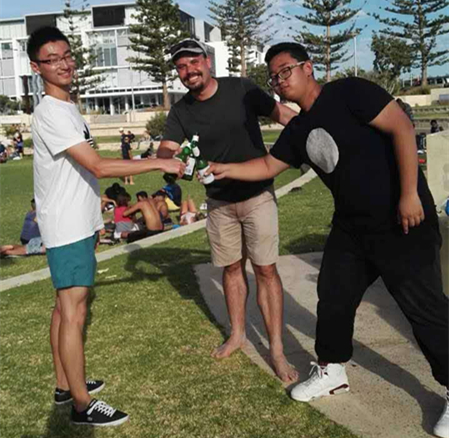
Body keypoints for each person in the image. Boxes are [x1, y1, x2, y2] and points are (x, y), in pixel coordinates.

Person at [207, 42, 448, 438]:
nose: (279, 81)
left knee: (423, 307)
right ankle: (332, 370)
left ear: (308, 68)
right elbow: (267, 165)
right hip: (352, 228)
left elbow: (402, 128)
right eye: (273, 78)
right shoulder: (298, 129)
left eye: (285, 71)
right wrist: (222, 169)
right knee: (333, 295)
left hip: (401, 219)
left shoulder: (350, 92)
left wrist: (409, 194)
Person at [28, 26, 184, 427]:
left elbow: (81, 171)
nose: (64, 64)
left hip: (77, 221)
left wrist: (95, 214)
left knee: (64, 307)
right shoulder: (50, 111)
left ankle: (66, 385)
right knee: (73, 309)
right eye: (52, 59)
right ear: (36, 67)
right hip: (65, 225)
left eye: (67, 55)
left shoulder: (66, 106)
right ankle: (81, 405)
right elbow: (97, 166)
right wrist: (158, 162)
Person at [157, 38, 299, 382]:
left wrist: (315, 132)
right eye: (181, 67)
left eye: (194, 62)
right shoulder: (181, 111)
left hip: (257, 195)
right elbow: (166, 150)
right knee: (232, 268)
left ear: (207, 61)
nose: (189, 71)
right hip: (219, 203)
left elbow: (284, 116)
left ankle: (277, 350)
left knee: (265, 270)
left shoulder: (241, 89)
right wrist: (173, 160)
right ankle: (238, 335)